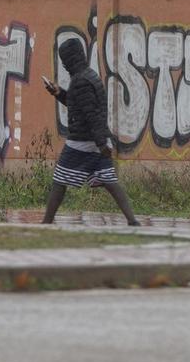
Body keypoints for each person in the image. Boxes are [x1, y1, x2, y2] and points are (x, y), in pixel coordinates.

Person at [41, 38, 140, 226]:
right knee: (110, 181)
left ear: (70, 59)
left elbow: (91, 114)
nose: (63, 64)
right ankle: (132, 220)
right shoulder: (88, 76)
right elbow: (78, 104)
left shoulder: (80, 81)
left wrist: (101, 143)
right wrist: (57, 92)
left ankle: (46, 222)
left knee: (59, 179)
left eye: (64, 60)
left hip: (83, 141)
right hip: (96, 140)